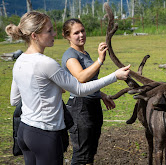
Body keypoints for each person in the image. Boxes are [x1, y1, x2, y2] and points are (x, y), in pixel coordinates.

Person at [6, 11, 130, 165]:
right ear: (34, 36)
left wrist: (47, 90)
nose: (54, 33)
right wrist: (114, 76)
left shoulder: (20, 61)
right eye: (49, 30)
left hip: (25, 131)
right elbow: (79, 89)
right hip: (45, 134)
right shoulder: (47, 63)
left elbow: (14, 100)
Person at [61, 18, 117, 165]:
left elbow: (90, 82)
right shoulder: (70, 56)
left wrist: (101, 95)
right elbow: (81, 78)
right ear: (67, 36)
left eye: (83, 31)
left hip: (92, 105)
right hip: (80, 108)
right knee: (81, 155)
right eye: (76, 33)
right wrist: (99, 60)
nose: (81, 35)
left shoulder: (84, 53)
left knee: (91, 151)